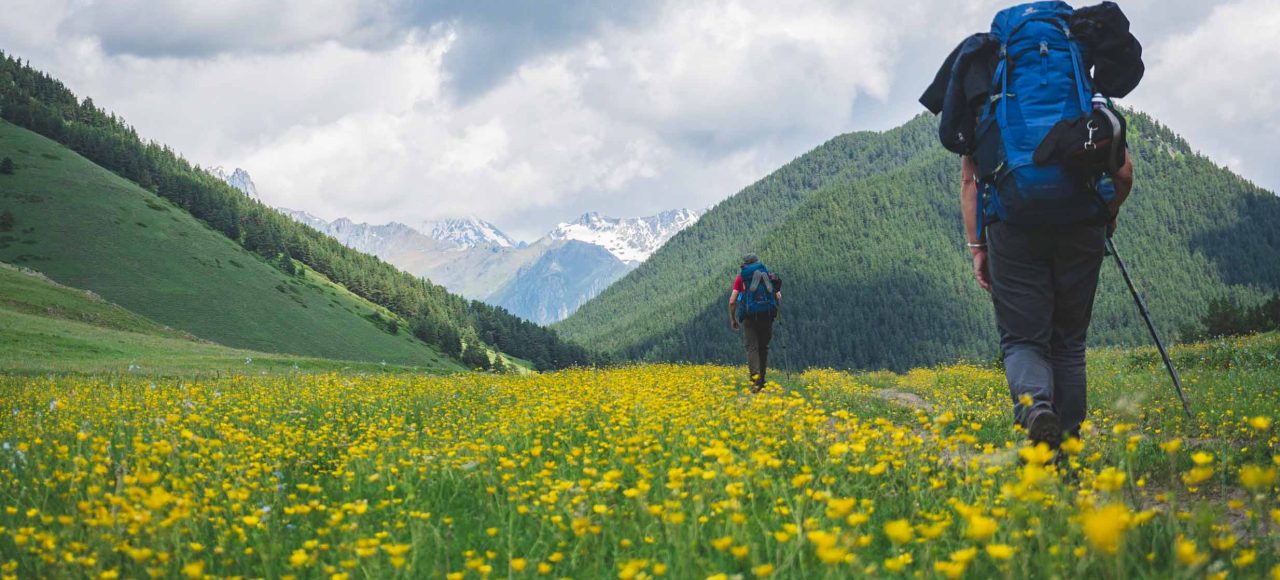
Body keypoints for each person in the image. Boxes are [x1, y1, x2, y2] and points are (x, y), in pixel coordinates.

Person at [728, 254, 781, 392]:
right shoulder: (766, 274)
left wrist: (733, 319)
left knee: (752, 348)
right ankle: (762, 382)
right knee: (763, 348)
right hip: (766, 315)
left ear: (745, 263)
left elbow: (732, 301)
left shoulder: (742, 277)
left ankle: (755, 383)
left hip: (749, 317)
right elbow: (778, 295)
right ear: (757, 262)